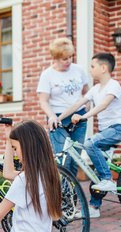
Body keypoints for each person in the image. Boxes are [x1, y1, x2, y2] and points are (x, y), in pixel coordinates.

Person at [59, 53, 121, 218]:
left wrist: (84, 116)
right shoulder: (94, 90)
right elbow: (77, 104)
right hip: (106, 132)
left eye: (92, 66)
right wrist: (58, 118)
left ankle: (108, 179)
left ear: (103, 68)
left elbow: (104, 105)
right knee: (95, 175)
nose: (90, 70)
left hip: (119, 128)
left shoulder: (113, 85)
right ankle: (94, 208)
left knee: (90, 144)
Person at [37, 37, 90, 178]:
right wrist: (52, 116)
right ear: (54, 58)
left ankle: (71, 193)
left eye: (70, 57)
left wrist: (86, 111)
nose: (69, 61)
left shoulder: (78, 70)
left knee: (74, 160)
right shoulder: (47, 75)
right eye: (64, 59)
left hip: (78, 117)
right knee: (61, 160)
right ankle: (61, 192)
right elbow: (43, 101)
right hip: (58, 118)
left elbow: (86, 93)